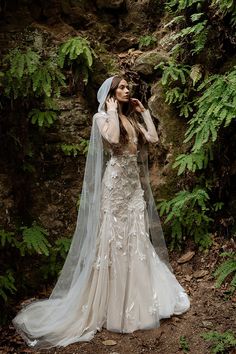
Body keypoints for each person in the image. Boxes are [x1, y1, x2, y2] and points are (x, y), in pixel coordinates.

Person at [13, 75, 190, 349]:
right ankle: (114, 306)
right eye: (121, 87)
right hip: (116, 184)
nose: (126, 89)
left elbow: (152, 139)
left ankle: (142, 298)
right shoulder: (101, 119)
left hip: (132, 187)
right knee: (114, 238)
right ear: (110, 93)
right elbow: (114, 139)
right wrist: (109, 111)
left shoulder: (131, 118)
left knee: (136, 236)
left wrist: (144, 114)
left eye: (126, 86)